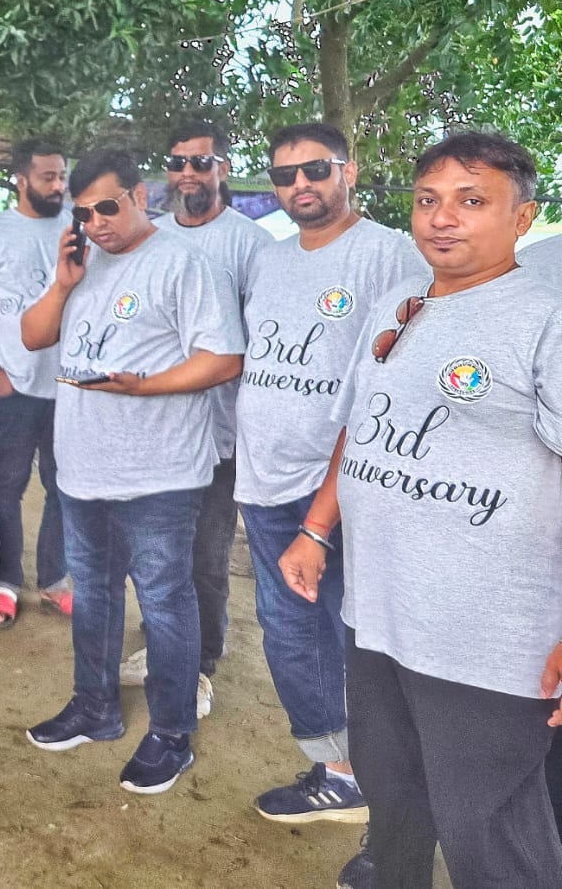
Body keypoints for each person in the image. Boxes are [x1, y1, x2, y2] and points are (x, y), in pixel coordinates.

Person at [276, 133, 562, 888]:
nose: (442, 218)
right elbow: (360, 426)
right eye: (429, 199)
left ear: (522, 217)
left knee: (487, 830)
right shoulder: (399, 304)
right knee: (393, 789)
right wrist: (315, 528)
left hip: (487, 638)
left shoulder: (545, 319)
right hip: (380, 613)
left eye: (472, 201)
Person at [233, 123, 427, 873]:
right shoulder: (271, 258)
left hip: (347, 492)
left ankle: (397, 815)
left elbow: (393, 386)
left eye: (315, 169)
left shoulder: (390, 255)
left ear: (349, 170)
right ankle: (339, 773)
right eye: (284, 175)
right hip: (266, 483)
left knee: (368, 652)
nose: (300, 185)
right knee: (291, 638)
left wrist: (324, 514)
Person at [20, 149, 244, 795]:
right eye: (84, 213)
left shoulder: (182, 262)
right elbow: (33, 336)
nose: (96, 223)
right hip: (83, 467)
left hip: (159, 473)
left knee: (166, 600)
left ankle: (172, 733)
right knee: (93, 593)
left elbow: (223, 358)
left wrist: (145, 387)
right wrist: (62, 283)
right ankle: (94, 707)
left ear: (140, 196)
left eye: (107, 207)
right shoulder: (82, 265)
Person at [117, 120, 275, 706]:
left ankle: (201, 660)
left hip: (217, 432)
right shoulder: (149, 236)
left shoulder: (251, 245)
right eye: (177, 162)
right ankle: (162, 642)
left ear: (222, 169)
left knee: (205, 555)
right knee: (155, 548)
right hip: (152, 430)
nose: (187, 173)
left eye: (200, 162)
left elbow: (259, 344)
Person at [0, 140, 70, 628]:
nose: (58, 185)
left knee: (64, 485)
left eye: (62, 175)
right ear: (21, 180)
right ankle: (5, 580)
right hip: (14, 388)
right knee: (6, 483)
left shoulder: (79, 227)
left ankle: (55, 580)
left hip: (70, 388)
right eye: (48, 177)